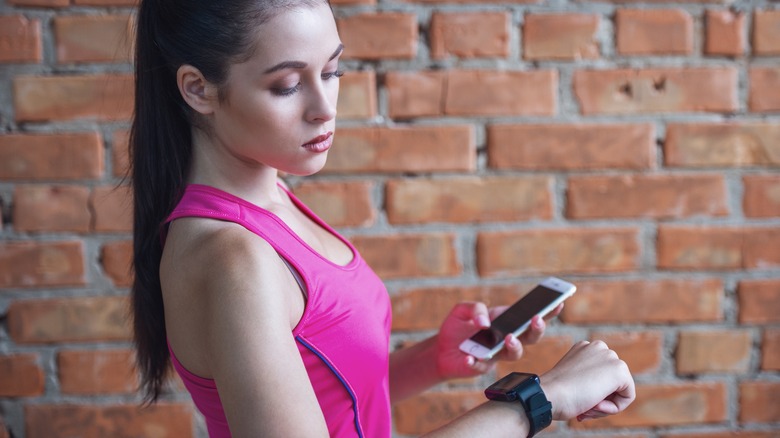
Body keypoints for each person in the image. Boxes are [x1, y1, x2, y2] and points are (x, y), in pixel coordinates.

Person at [129, 0, 636, 436]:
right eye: (286, 85)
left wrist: (433, 359)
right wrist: (543, 398)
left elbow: (336, 399)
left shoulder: (273, 201)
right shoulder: (234, 258)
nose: (324, 107)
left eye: (331, 72)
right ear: (197, 89)